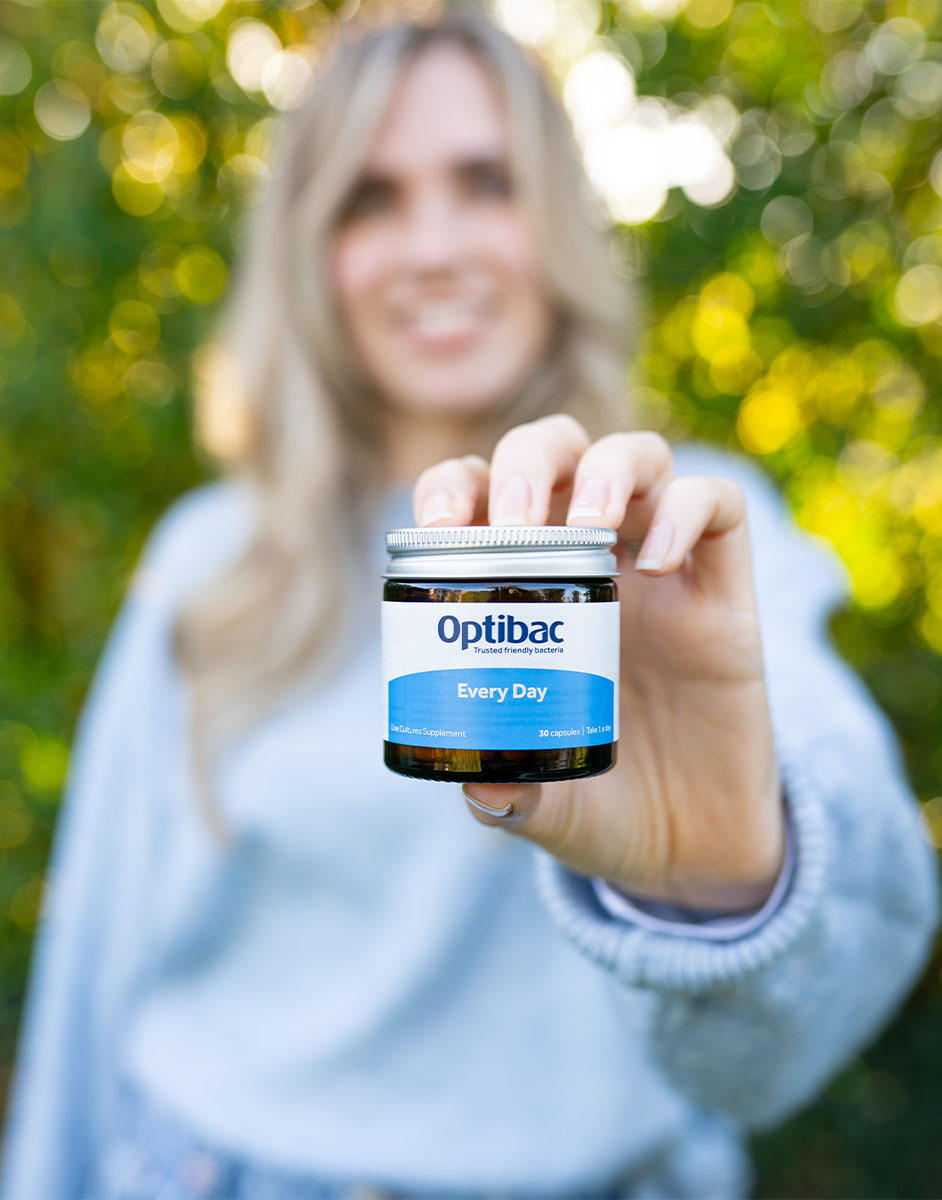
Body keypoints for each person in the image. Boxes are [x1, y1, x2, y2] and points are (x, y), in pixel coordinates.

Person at [2, 6, 938, 1199]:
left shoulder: (687, 534)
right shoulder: (213, 558)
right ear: (310, 249)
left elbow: (855, 916)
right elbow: (96, 956)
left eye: (485, 181)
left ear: (554, 223)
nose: (433, 245)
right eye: (371, 199)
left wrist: (728, 882)